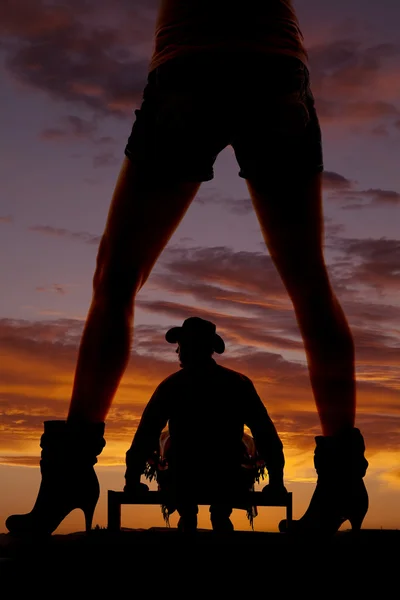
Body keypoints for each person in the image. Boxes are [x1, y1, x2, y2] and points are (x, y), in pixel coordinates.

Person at [6, 0, 368, 536]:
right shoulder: (231, 384)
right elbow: (255, 432)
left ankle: (69, 476)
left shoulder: (191, 387)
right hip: (272, 63)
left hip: (190, 61)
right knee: (310, 283)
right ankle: (341, 485)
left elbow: (162, 426)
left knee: (117, 280)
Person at [124, 316, 288, 533]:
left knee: (170, 446)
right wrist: (276, 480)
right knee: (236, 452)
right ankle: (220, 517)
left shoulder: (172, 386)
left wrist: (132, 480)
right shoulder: (238, 384)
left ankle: (187, 517)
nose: (177, 352)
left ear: (189, 348)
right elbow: (265, 433)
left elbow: (146, 434)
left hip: (184, 477)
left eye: (181, 346)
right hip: (228, 477)